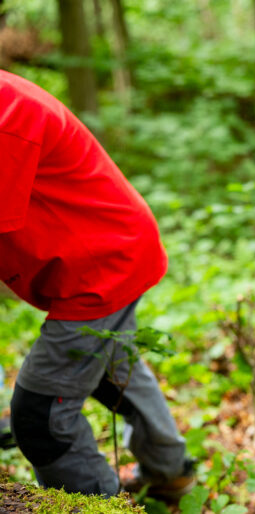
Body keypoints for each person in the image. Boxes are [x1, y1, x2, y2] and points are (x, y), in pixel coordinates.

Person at [0, 70, 194, 500]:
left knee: (39, 415)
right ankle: (170, 473)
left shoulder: (5, 118)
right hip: (107, 248)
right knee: (110, 368)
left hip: (102, 264)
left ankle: (97, 505)